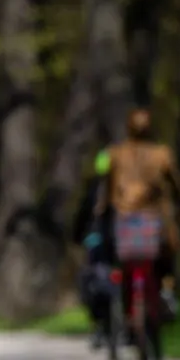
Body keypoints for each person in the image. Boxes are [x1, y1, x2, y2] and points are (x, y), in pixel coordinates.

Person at [98, 108, 180, 348]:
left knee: (119, 263)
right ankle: (168, 292)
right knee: (167, 256)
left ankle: (125, 311)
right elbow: (177, 185)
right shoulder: (162, 154)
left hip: (125, 221)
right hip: (154, 221)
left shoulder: (114, 154)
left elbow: (106, 187)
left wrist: (102, 208)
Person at [71, 149, 114, 349]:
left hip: (98, 243)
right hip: (124, 242)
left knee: (92, 281)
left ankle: (98, 326)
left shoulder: (95, 189)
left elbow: (82, 217)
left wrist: (76, 236)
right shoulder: (130, 188)